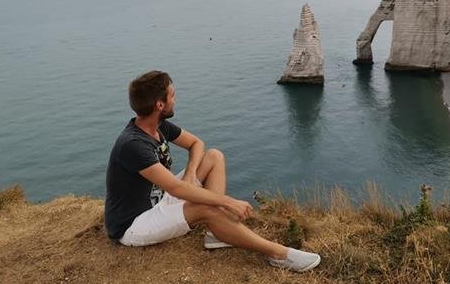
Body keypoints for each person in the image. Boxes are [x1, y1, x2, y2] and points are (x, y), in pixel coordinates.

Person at [104, 70, 320, 272]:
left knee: (214, 156)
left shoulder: (157, 126)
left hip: (158, 200)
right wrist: (226, 202)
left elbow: (196, 143)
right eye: (172, 95)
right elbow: (177, 189)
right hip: (134, 224)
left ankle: (216, 233)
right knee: (207, 208)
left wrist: (190, 173)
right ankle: (278, 254)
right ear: (160, 104)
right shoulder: (133, 145)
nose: (175, 99)